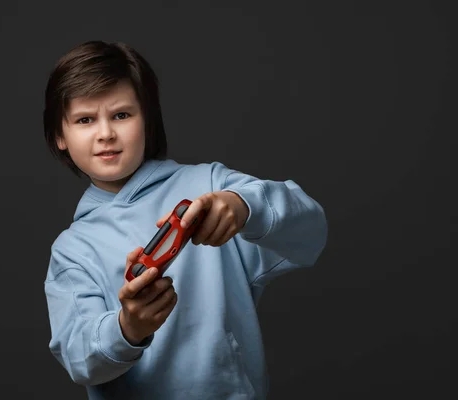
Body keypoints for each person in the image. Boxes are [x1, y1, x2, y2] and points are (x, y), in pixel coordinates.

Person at [43, 40, 327, 400]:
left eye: (121, 115)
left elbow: (311, 230)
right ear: (60, 136)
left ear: (148, 118)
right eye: (85, 120)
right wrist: (127, 328)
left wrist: (244, 207)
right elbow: (79, 358)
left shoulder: (210, 186)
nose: (105, 134)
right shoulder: (72, 249)